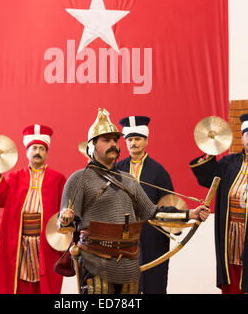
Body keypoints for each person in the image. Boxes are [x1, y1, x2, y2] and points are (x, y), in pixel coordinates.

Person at [59, 108, 210, 294]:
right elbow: (65, 219)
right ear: (92, 145)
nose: (113, 144)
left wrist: (190, 214)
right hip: (95, 262)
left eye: (115, 140)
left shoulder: (128, 179)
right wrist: (66, 217)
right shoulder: (79, 179)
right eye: (106, 140)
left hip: (127, 262)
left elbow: (153, 212)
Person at [0, 124, 66, 294]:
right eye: (34, 148)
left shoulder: (57, 179)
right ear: (27, 151)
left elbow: (63, 210)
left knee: (44, 284)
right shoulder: (13, 177)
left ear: (46, 152)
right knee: (19, 283)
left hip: (45, 242)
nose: (38, 151)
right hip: (19, 241)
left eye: (42, 148)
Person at [190, 113, 248, 294]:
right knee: (233, 277)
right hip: (230, 234)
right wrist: (210, 150)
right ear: (243, 137)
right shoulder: (229, 163)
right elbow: (209, 177)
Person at [116, 115, 174, 294]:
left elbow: (169, 204)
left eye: (138, 139)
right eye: (130, 139)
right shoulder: (116, 169)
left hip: (152, 237)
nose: (134, 143)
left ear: (146, 140)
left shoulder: (159, 171)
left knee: (153, 283)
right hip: (123, 237)